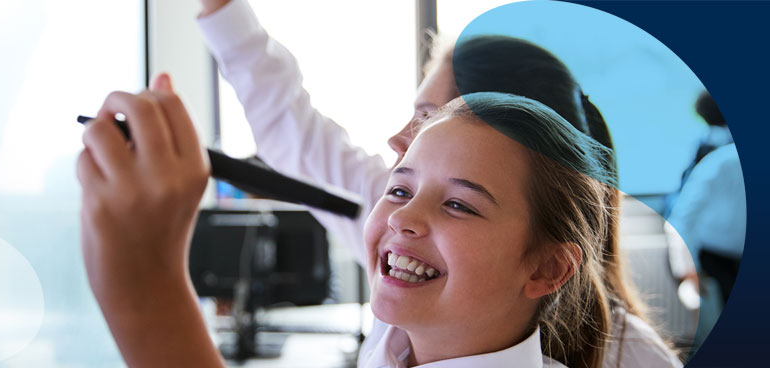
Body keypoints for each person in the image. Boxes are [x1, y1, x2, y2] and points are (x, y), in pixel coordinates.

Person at [195, 0, 677, 366]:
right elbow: (290, 128)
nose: (398, 138)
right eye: (400, 190)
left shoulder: (630, 353)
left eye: (429, 117)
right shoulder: (400, 218)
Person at [77, 90, 629, 367]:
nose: (403, 218)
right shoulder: (400, 342)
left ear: (547, 267)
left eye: (460, 205)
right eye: (399, 189)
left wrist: (142, 280)